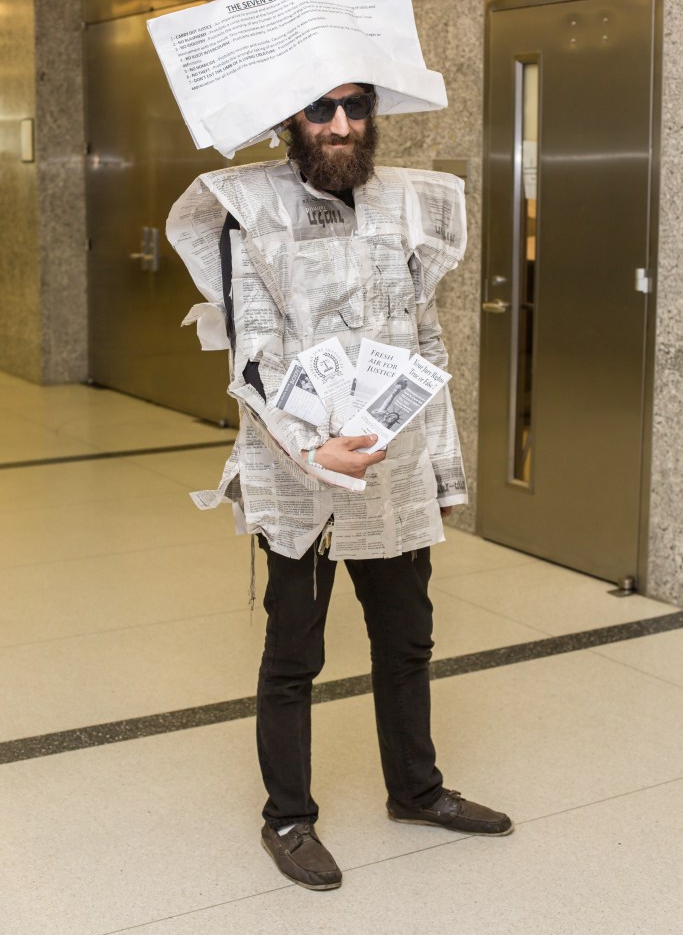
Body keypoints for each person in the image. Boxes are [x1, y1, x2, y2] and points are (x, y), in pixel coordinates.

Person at [169, 81, 513, 893]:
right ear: (288, 117)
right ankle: (288, 818)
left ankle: (417, 792)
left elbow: (423, 345)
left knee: (407, 642)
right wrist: (315, 450)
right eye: (320, 110)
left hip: (393, 474)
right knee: (294, 654)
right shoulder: (245, 208)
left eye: (355, 107)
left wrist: (441, 471)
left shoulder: (406, 207)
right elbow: (249, 360)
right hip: (301, 480)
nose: (340, 125)